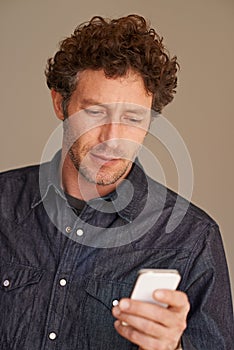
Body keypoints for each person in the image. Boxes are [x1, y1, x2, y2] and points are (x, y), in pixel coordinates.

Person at [0, 14, 233, 350]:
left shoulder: (192, 240)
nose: (112, 138)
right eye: (94, 112)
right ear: (59, 104)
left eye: (133, 118)